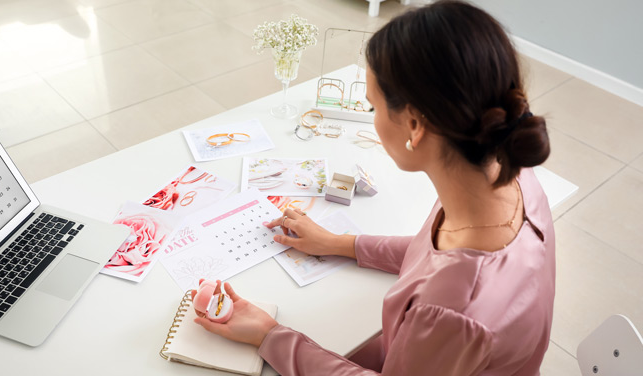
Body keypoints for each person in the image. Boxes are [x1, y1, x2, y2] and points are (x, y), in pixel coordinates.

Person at [192, 1, 555, 374]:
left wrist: (270, 335)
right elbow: (430, 255)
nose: (373, 120)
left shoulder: (448, 312)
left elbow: (445, 287)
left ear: (414, 125)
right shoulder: (510, 176)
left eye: (372, 108)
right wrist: (339, 243)